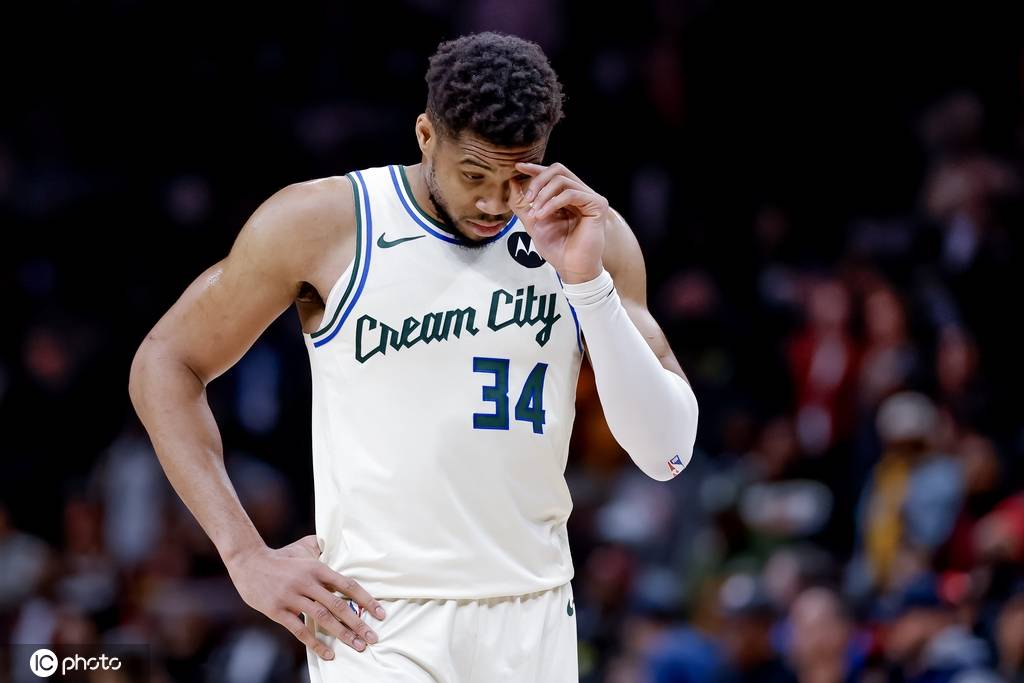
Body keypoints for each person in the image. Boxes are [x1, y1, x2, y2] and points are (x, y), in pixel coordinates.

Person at [128, 31, 699, 682]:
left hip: (536, 614)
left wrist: (588, 286)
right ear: (426, 135)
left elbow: (668, 454)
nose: (493, 202)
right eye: (473, 175)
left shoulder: (589, 236)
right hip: (379, 618)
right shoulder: (325, 223)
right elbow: (165, 362)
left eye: (516, 176)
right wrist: (243, 554)